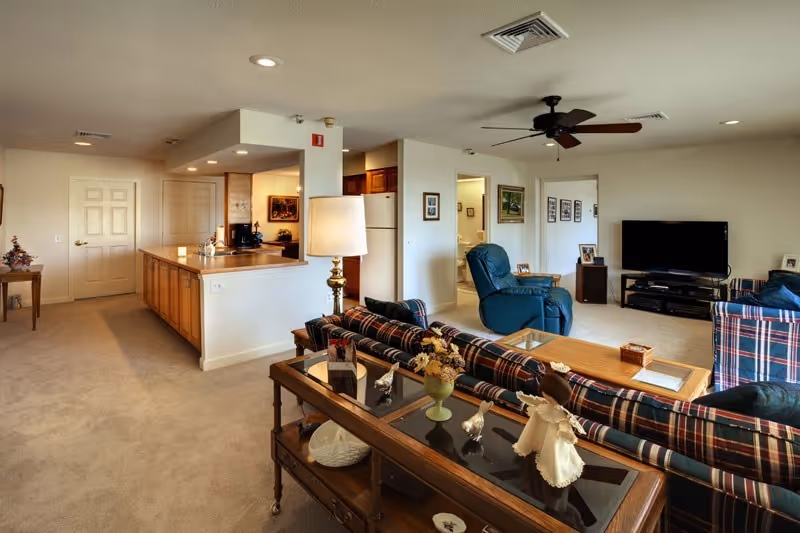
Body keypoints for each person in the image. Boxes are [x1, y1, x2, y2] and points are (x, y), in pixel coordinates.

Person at [514, 362, 586, 488]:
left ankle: (554, 467)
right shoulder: (543, 404)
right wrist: (525, 398)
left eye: (549, 395)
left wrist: (566, 432)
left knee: (553, 448)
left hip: (553, 435)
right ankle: (532, 446)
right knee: (534, 433)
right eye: (544, 392)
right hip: (539, 426)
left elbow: (565, 422)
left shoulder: (561, 413)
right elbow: (534, 401)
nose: (545, 396)